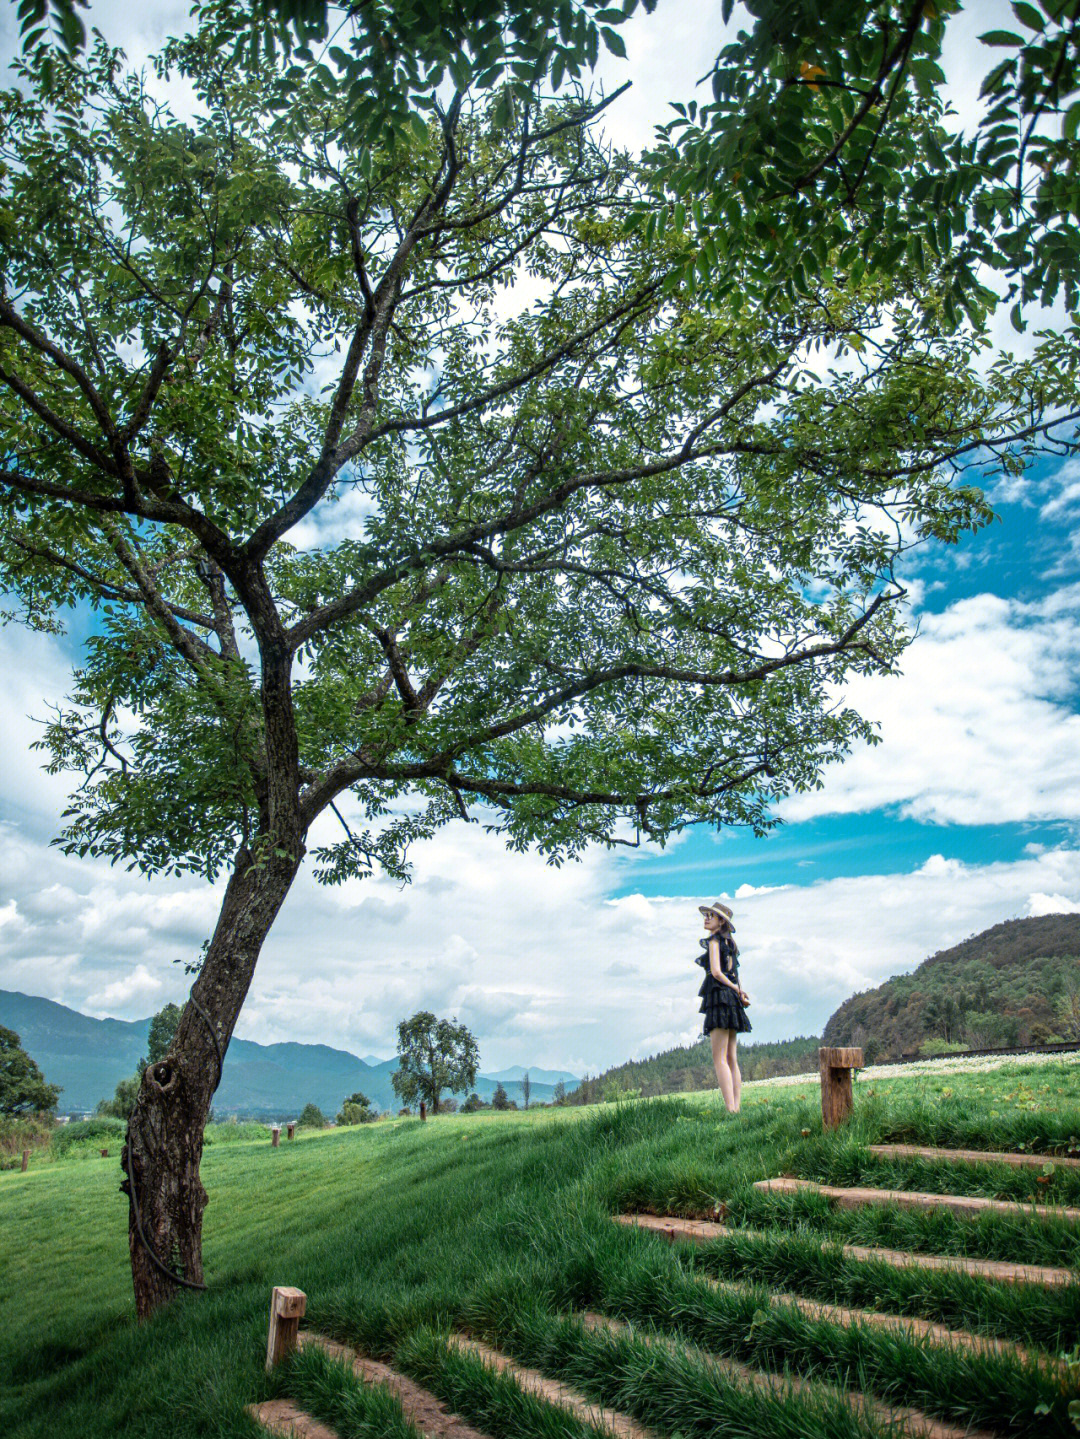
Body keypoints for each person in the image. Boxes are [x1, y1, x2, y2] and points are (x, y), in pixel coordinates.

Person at [695, 901, 751, 1113]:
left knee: (719, 1058)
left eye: (711, 915)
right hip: (732, 1000)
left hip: (719, 997)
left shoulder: (714, 942)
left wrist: (735, 989)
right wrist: (739, 991)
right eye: (706, 915)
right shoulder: (731, 945)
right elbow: (735, 975)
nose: (706, 918)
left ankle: (731, 1110)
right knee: (731, 1058)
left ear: (721, 922)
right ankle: (736, 1106)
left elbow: (717, 973)